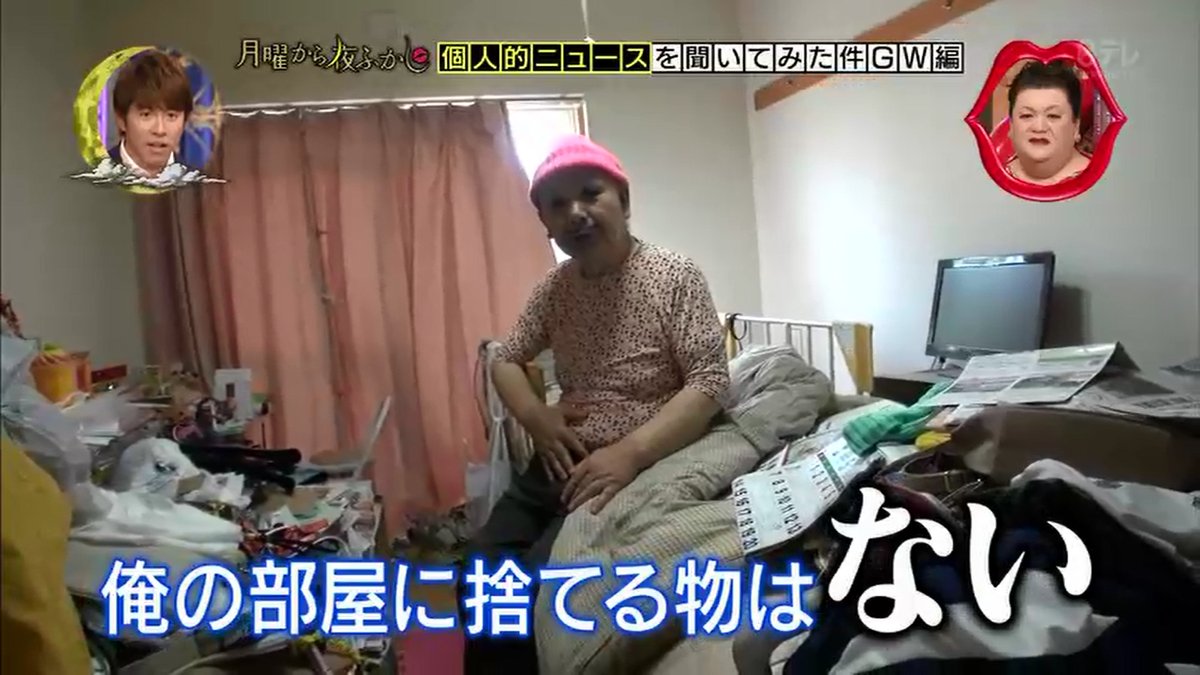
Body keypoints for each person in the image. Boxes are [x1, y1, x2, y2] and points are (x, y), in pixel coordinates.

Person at [461, 134, 730, 674]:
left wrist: (631, 453)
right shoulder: (555, 288)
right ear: (546, 224)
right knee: (481, 572)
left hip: (639, 464)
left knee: (543, 587)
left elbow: (709, 381)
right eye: (557, 204)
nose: (576, 213)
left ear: (623, 202)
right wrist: (537, 418)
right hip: (561, 460)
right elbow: (505, 359)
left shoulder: (673, 275)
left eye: (590, 193)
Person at [106, 49, 194, 178]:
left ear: (185, 120)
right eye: (146, 115)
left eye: (171, 116)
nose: (160, 130)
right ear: (121, 120)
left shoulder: (198, 182)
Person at [1005, 59, 1091, 185]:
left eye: (1053, 116)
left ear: (1076, 127)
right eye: (1026, 115)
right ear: (1011, 126)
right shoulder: (992, 178)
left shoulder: (1102, 181)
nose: (1039, 127)